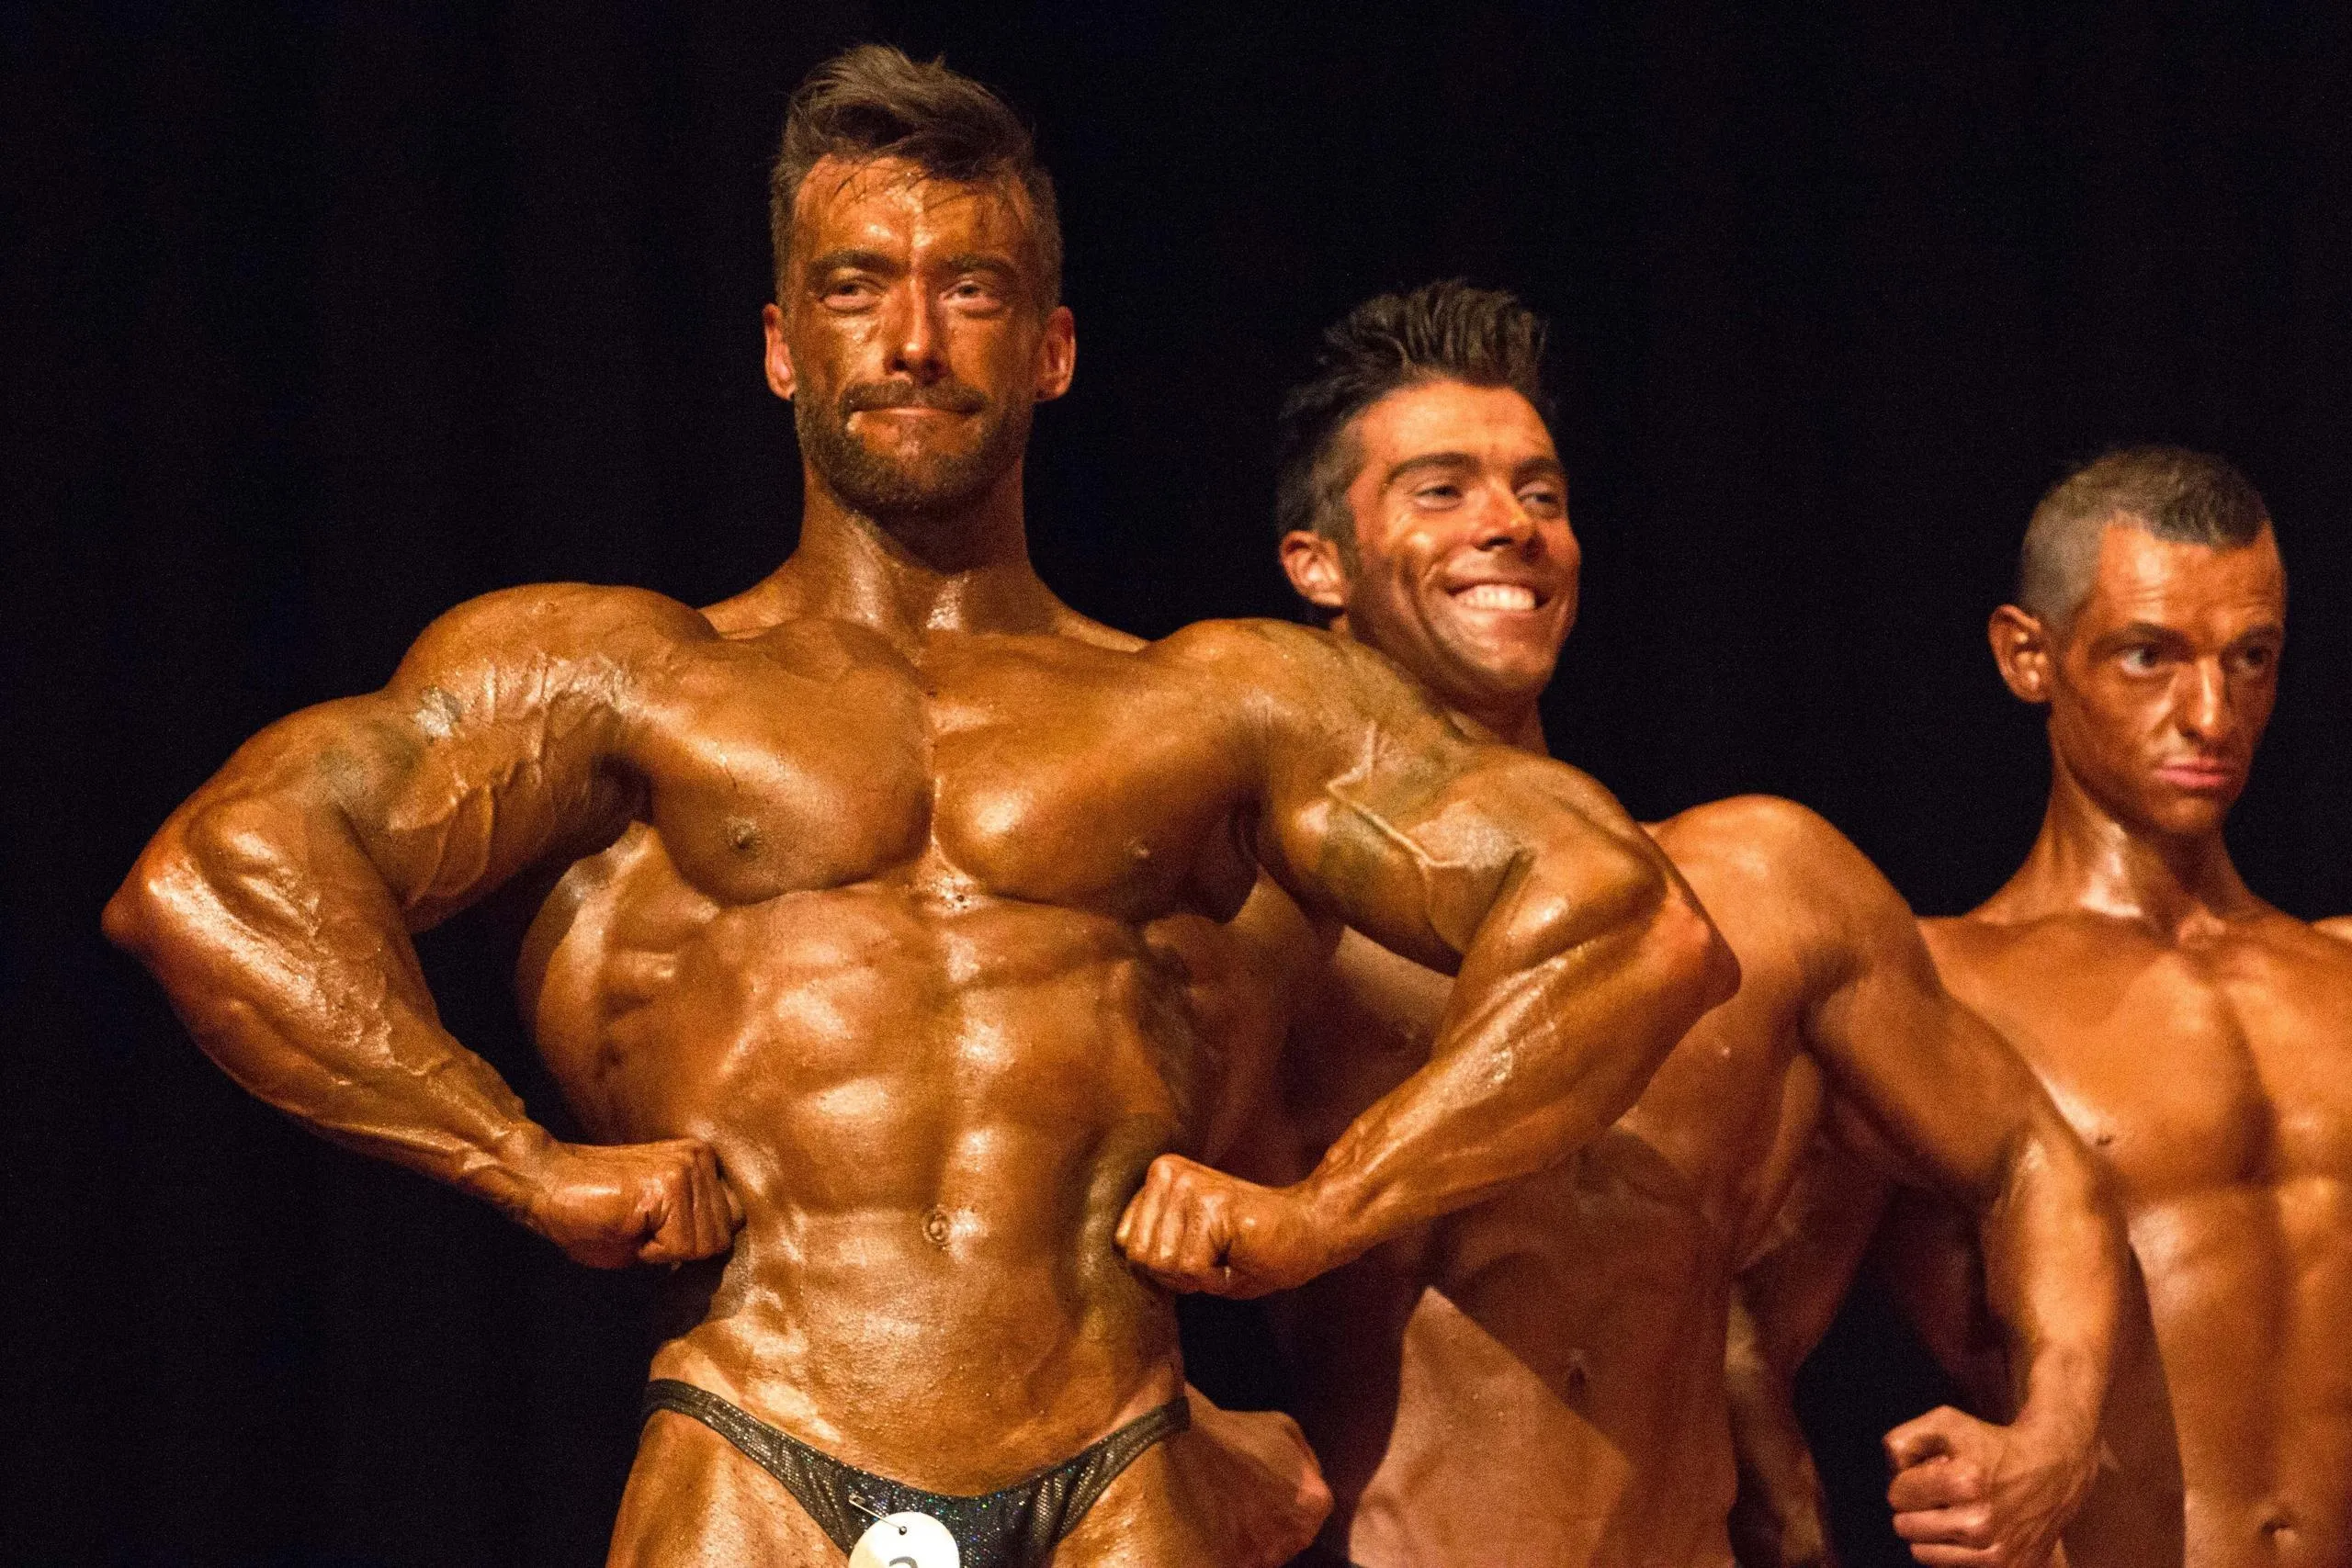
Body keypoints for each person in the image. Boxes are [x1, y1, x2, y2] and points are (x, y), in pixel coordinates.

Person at [101, 48, 1739, 1568]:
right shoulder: (624, 676)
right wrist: (518, 1162)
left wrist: (1331, 1208)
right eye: (856, 289)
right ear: (778, 343)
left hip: (1122, 1452)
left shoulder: (1219, 703)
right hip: (760, 1431)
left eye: (969, 290)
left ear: (1053, 346)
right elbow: (220, 876)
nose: (911, 340)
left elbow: (1629, 919)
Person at [1231, 281, 2127, 1568]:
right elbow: (1061, 1231)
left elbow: (2031, 1160)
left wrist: (2053, 1435)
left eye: (1540, 492)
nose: (1512, 526)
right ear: (1319, 562)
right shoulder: (1275, 917)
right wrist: (1194, 1439)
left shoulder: (1766, 879)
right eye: (1443, 490)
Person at [1729, 446, 2352, 1568]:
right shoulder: (1928, 989)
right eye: (2150, 657)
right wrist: (1803, 1536)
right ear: (2030, 656)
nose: (2211, 713)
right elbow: (1734, 1344)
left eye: (2248, 659)